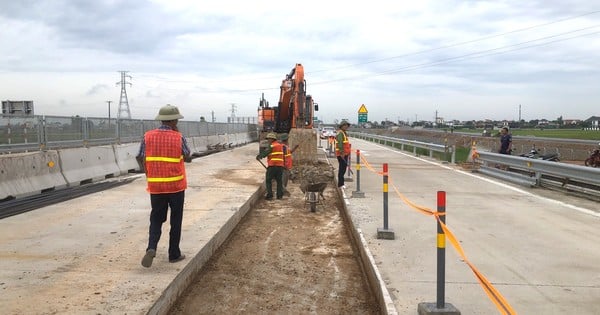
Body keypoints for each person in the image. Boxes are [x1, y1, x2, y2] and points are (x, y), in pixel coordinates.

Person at [137, 104, 191, 268]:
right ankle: (173, 254)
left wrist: (148, 174)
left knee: (156, 218)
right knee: (176, 220)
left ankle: (151, 247)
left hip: (156, 187)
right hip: (176, 186)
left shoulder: (147, 136)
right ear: (174, 121)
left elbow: (140, 157)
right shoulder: (178, 137)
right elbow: (187, 155)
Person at [256, 132, 285, 200]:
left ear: (272, 139)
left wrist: (259, 156)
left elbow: (266, 153)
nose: (268, 140)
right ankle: (279, 195)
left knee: (268, 180)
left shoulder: (272, 146)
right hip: (280, 166)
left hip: (272, 166)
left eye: (269, 139)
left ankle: (270, 195)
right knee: (279, 181)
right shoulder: (280, 145)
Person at [335, 120, 351, 188]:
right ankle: (341, 184)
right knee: (342, 169)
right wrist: (342, 153)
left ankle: (341, 183)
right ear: (342, 126)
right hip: (342, 154)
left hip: (345, 154)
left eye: (347, 125)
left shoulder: (343, 133)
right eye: (345, 125)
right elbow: (340, 144)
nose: (346, 127)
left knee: (343, 169)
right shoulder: (340, 133)